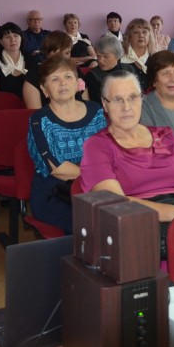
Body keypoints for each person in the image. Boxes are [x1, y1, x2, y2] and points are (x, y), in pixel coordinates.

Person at [80, 70, 174, 254]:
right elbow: (115, 202)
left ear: (142, 99)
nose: (127, 107)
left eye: (133, 97)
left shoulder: (165, 135)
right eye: (117, 99)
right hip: (137, 223)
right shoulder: (97, 146)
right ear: (105, 104)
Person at [26, 56, 107, 234]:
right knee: (94, 223)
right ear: (44, 89)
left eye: (68, 77)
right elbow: (58, 169)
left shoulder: (95, 111)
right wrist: (101, 179)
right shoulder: (40, 120)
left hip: (98, 186)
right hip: (55, 193)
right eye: (55, 79)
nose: (63, 83)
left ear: (77, 83)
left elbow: (108, 153)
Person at [23, 31, 78, 110]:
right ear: (47, 53)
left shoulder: (75, 71)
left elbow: (86, 104)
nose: (62, 57)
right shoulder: (34, 76)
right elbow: (35, 113)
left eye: (67, 53)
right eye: (58, 53)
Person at [83, 34, 142, 102]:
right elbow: (97, 103)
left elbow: (138, 94)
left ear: (117, 55)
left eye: (105, 56)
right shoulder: (92, 76)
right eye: (98, 56)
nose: (101, 60)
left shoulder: (130, 70)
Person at [0, 22, 28, 97]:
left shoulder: (32, 60)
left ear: (21, 38)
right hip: (3, 103)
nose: (12, 40)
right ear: (1, 41)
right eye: (7, 37)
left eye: (15, 35)